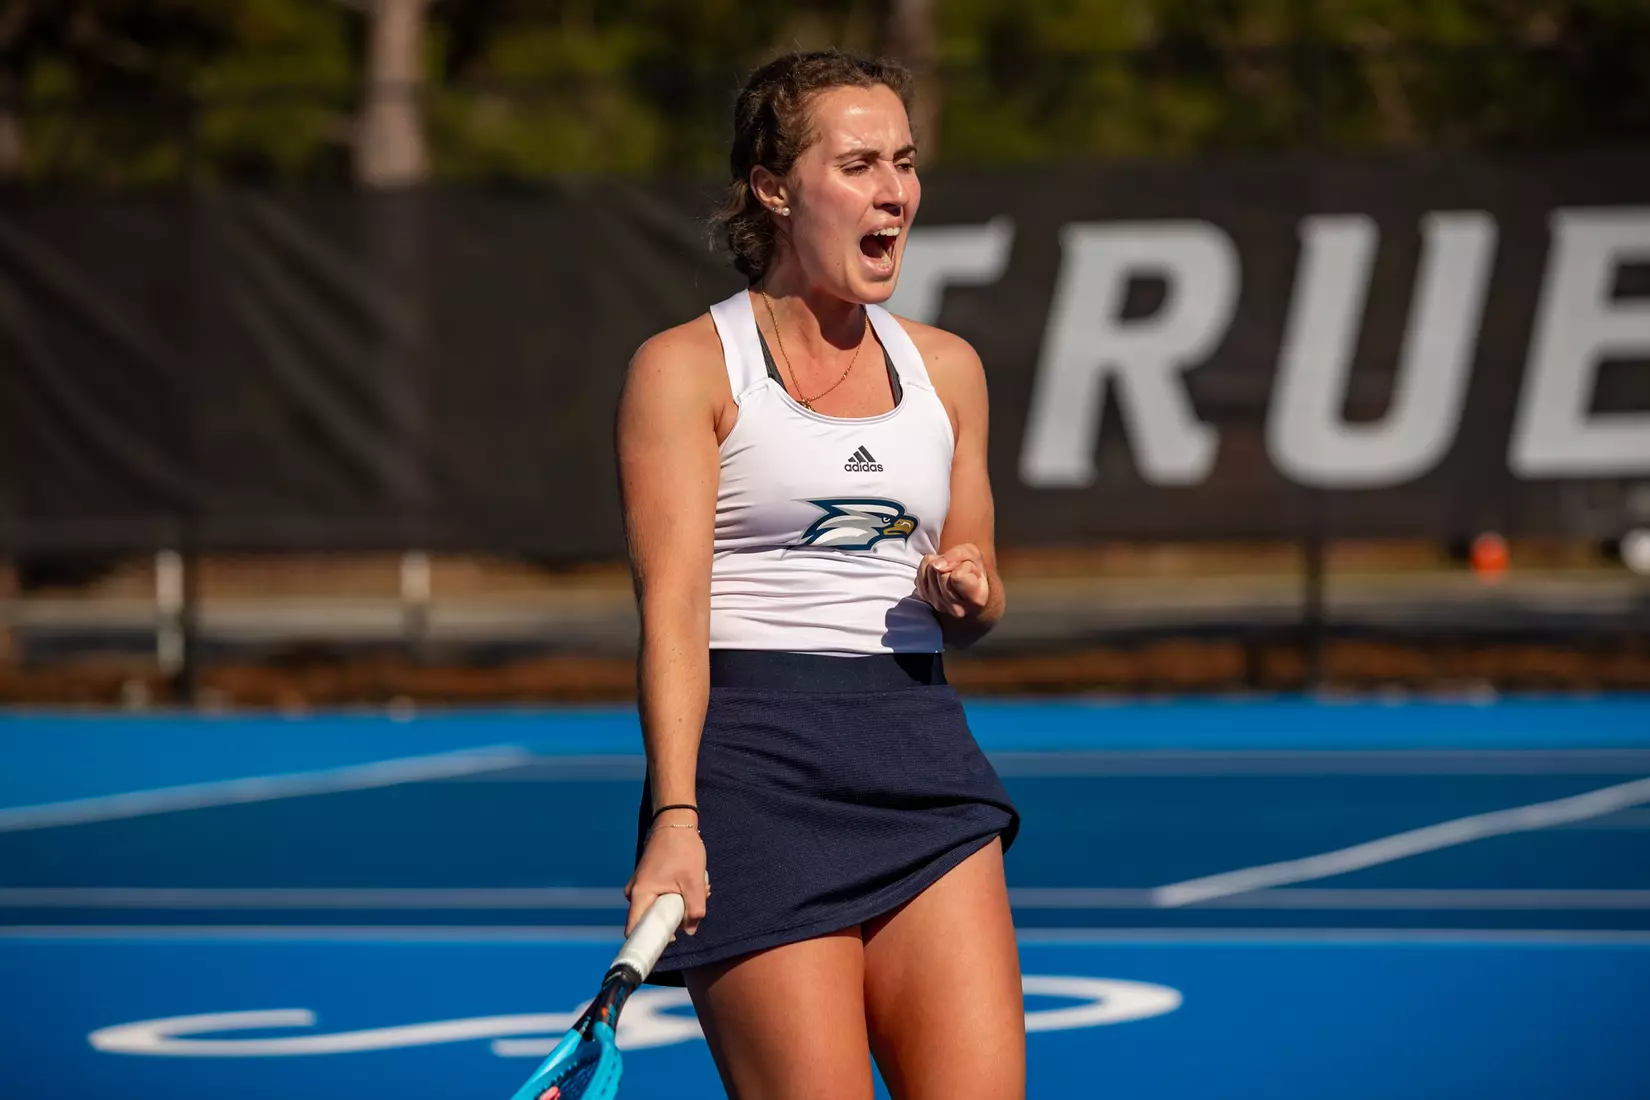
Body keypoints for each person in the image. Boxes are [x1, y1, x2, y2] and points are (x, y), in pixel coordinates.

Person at [616, 48, 1023, 1099]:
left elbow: (980, 591)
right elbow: (673, 613)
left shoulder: (950, 369)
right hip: (756, 775)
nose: (895, 192)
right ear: (773, 187)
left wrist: (967, 591)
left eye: (905, 162)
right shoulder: (685, 369)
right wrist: (675, 819)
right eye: (858, 164)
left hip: (923, 757)